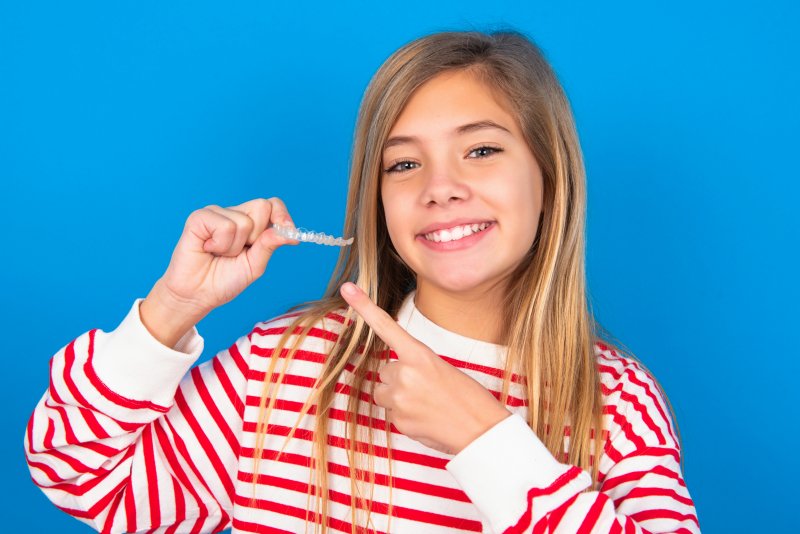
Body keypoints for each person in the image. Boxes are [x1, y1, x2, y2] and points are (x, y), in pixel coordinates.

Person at [24, 30, 700, 533]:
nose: (441, 189)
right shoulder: (286, 362)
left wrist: (485, 439)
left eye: (482, 150)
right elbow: (79, 476)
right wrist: (171, 310)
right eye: (403, 166)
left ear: (549, 178)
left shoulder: (618, 403)